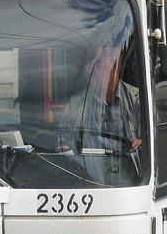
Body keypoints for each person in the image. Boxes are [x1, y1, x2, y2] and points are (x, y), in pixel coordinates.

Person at [58, 47, 142, 186]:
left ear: (114, 66)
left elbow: (158, 142)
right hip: (87, 184)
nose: (88, 67)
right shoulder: (76, 104)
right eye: (88, 62)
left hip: (129, 186)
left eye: (96, 62)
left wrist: (141, 142)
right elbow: (62, 143)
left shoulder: (137, 99)